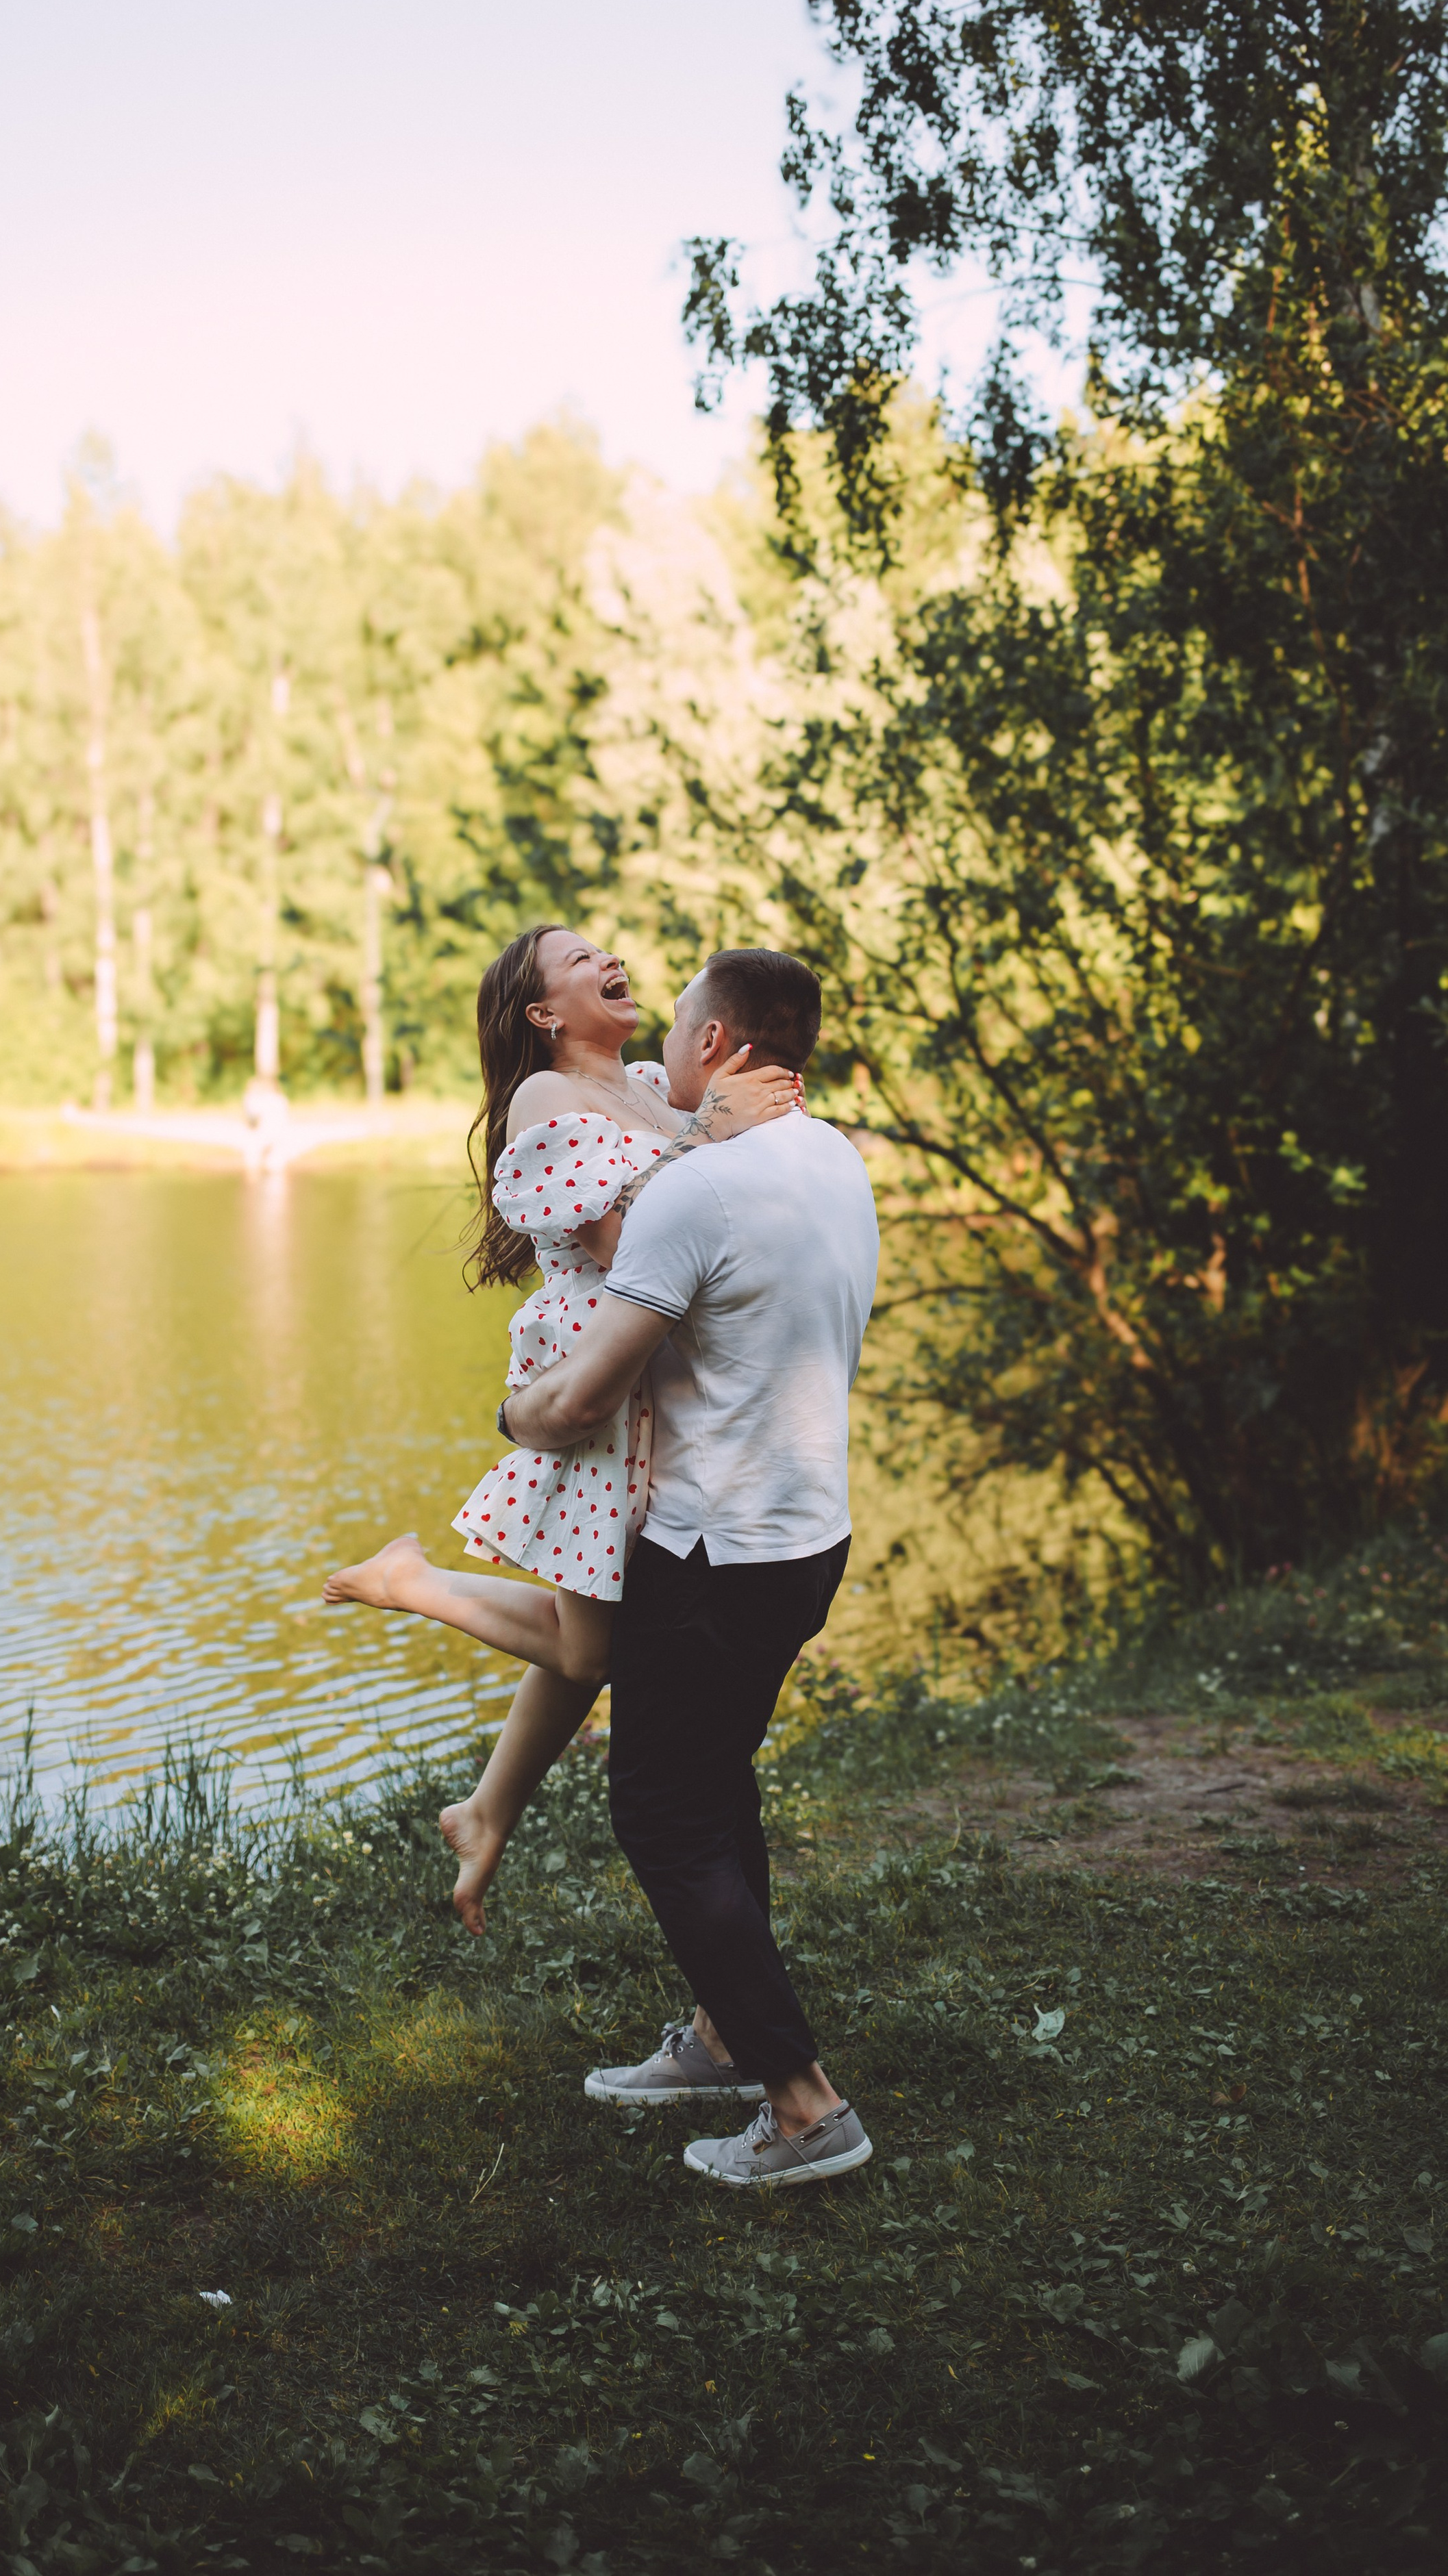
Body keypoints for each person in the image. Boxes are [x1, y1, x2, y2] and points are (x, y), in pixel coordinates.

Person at [494, 947, 879, 2191]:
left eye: (677, 1026)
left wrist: (515, 1420)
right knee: (714, 1788)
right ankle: (723, 2036)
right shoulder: (833, 1157)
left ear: (714, 1049)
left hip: (712, 1551)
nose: (660, 1041)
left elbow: (576, 1404)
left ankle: (806, 2107)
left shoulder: (692, 1195)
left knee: (661, 1811)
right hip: (810, 1535)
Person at [322, 924, 798, 1928]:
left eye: (606, 949)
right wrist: (710, 1127)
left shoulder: (646, 1084)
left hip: (667, 1371)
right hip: (600, 1375)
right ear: (543, 1013)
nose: (608, 959)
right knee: (593, 1651)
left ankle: (486, 1811)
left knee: (608, 1621)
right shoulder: (549, 1095)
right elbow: (627, 1235)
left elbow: (720, 1192)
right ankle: (412, 1581)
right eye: (578, 959)